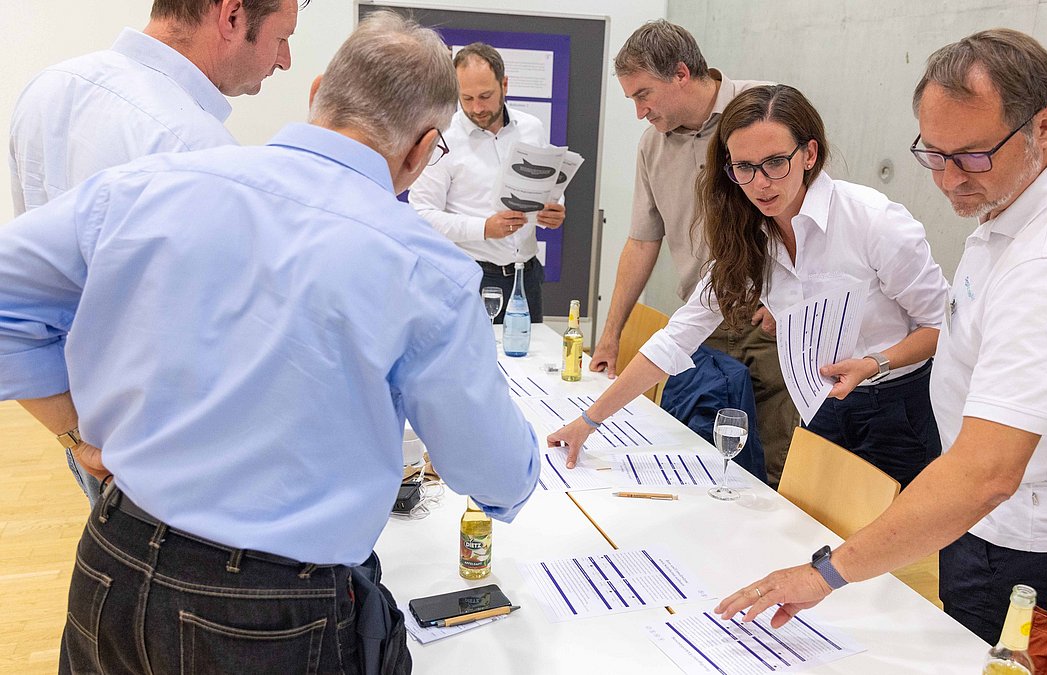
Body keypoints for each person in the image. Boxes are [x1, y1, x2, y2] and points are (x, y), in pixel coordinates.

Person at [0, 13, 540, 673]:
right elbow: (495, 474)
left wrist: (75, 431)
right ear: (425, 148)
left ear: (318, 91)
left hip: (112, 562)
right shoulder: (424, 268)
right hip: (267, 614)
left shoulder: (153, 183)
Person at [714, 29, 1047, 646]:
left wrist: (826, 574)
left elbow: (985, 476)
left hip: (1023, 540)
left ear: (1043, 123)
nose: (950, 180)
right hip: (995, 517)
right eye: (934, 154)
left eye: (973, 156)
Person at [550, 85, 947, 491]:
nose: (760, 184)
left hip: (897, 403)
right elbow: (676, 338)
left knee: (883, 547)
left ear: (809, 154)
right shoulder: (750, 235)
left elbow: (943, 327)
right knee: (810, 534)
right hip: (823, 400)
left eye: (775, 162)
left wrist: (874, 363)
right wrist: (589, 421)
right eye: (744, 167)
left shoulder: (874, 222)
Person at [9, 0, 301, 504]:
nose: (285, 61)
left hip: (91, 437)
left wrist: (75, 433)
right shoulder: (197, 149)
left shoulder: (48, 88)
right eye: (281, 38)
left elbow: (23, 294)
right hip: (167, 459)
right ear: (231, 17)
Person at [588, 20, 801, 487]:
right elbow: (642, 241)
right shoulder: (651, 145)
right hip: (700, 323)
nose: (640, 111)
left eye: (644, 95)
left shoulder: (761, 111)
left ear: (681, 74)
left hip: (770, 324)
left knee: (776, 462)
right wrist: (610, 334)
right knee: (705, 459)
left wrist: (786, 297)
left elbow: (808, 210)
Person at [409, 41, 565, 323]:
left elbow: (549, 186)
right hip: (471, 277)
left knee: (528, 362)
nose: (477, 108)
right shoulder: (442, 137)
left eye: (485, 96)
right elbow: (421, 215)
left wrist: (553, 208)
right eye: (466, 98)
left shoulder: (532, 128)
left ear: (505, 85)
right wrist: (484, 228)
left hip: (527, 275)